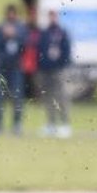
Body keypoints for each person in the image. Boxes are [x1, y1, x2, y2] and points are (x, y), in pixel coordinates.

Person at [37, 9, 74, 138]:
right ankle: (50, 124)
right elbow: (40, 50)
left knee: (61, 97)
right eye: (50, 15)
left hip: (58, 70)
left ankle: (65, 124)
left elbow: (67, 51)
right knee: (48, 98)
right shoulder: (44, 32)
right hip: (46, 70)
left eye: (54, 16)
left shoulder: (62, 33)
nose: (52, 18)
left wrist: (61, 65)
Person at [0, 4, 25, 136]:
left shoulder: (20, 28)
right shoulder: (0, 27)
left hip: (15, 67)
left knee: (17, 96)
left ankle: (17, 124)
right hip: (2, 68)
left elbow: (25, 42)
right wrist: (4, 35)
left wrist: (14, 35)